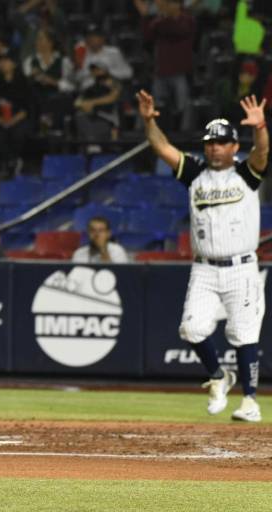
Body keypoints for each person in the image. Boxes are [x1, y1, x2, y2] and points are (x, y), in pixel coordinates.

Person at [137, 89, 268, 422]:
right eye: (210, 141)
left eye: (221, 142)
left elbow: (262, 153)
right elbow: (161, 147)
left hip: (241, 266)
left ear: (234, 146)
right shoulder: (195, 174)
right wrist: (149, 121)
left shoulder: (245, 175)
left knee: (244, 334)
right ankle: (218, 377)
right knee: (192, 329)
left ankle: (250, 401)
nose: (214, 147)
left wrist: (260, 127)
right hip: (205, 269)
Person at [135, 0, 197, 131]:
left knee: (183, 107)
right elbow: (147, 36)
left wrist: (162, 17)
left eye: (171, 3)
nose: (167, 6)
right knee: (157, 106)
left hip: (180, 72)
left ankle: (184, 136)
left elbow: (177, 30)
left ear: (178, 5)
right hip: (161, 71)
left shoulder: (187, 20)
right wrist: (145, 16)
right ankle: (158, 133)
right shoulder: (159, 21)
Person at [0, 51, 31, 177]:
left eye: (6, 61)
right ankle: (7, 162)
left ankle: (15, 160)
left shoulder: (23, 83)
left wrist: (12, 121)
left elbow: (27, 108)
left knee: (19, 132)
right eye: (1, 61)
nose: (3, 64)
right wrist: (1, 121)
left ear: (14, 64)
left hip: (18, 119)